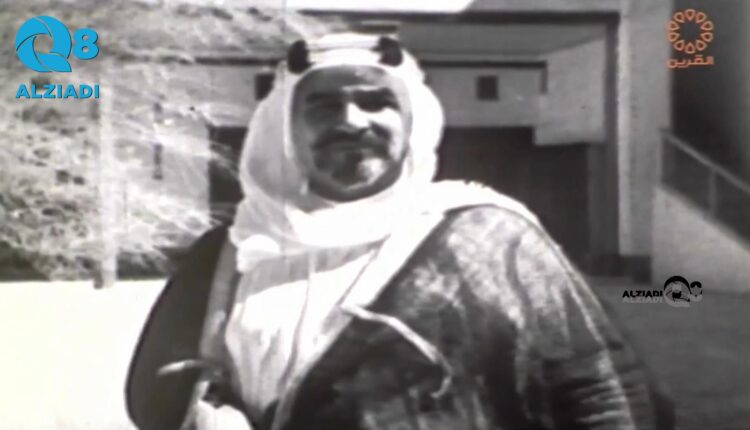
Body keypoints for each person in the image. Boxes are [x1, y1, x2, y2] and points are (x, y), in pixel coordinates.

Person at [126, 32, 666, 430]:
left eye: (376, 100)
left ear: (413, 123)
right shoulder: (231, 250)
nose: (351, 120)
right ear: (285, 129)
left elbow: (604, 396)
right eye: (323, 105)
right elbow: (155, 389)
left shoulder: (489, 237)